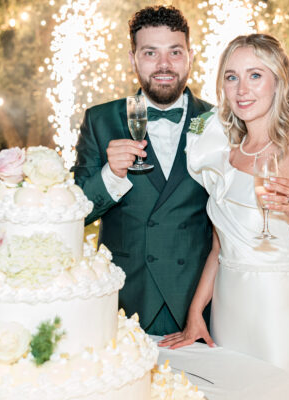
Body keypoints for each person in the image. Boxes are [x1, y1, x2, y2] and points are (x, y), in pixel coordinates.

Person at [159, 34, 289, 382]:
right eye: (231, 77)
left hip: (275, 314)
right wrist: (196, 313)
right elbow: (219, 249)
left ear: (278, 81)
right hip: (226, 311)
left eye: (255, 75)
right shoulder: (224, 153)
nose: (241, 89)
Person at [72, 6, 214, 336]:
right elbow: (75, 212)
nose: (164, 65)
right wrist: (111, 175)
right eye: (150, 53)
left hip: (196, 303)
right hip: (127, 299)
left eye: (175, 52)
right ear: (133, 59)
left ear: (190, 57)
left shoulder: (217, 122)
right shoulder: (100, 120)